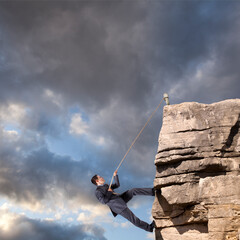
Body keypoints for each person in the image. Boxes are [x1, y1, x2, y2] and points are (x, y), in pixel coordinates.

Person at [91, 170, 159, 232]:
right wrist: (109, 192)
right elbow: (103, 201)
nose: (102, 177)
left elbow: (117, 185)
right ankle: (149, 227)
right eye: (100, 177)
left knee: (133, 190)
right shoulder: (98, 191)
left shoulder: (106, 186)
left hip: (120, 199)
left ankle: (152, 192)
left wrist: (115, 176)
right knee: (134, 219)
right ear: (97, 181)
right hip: (117, 206)